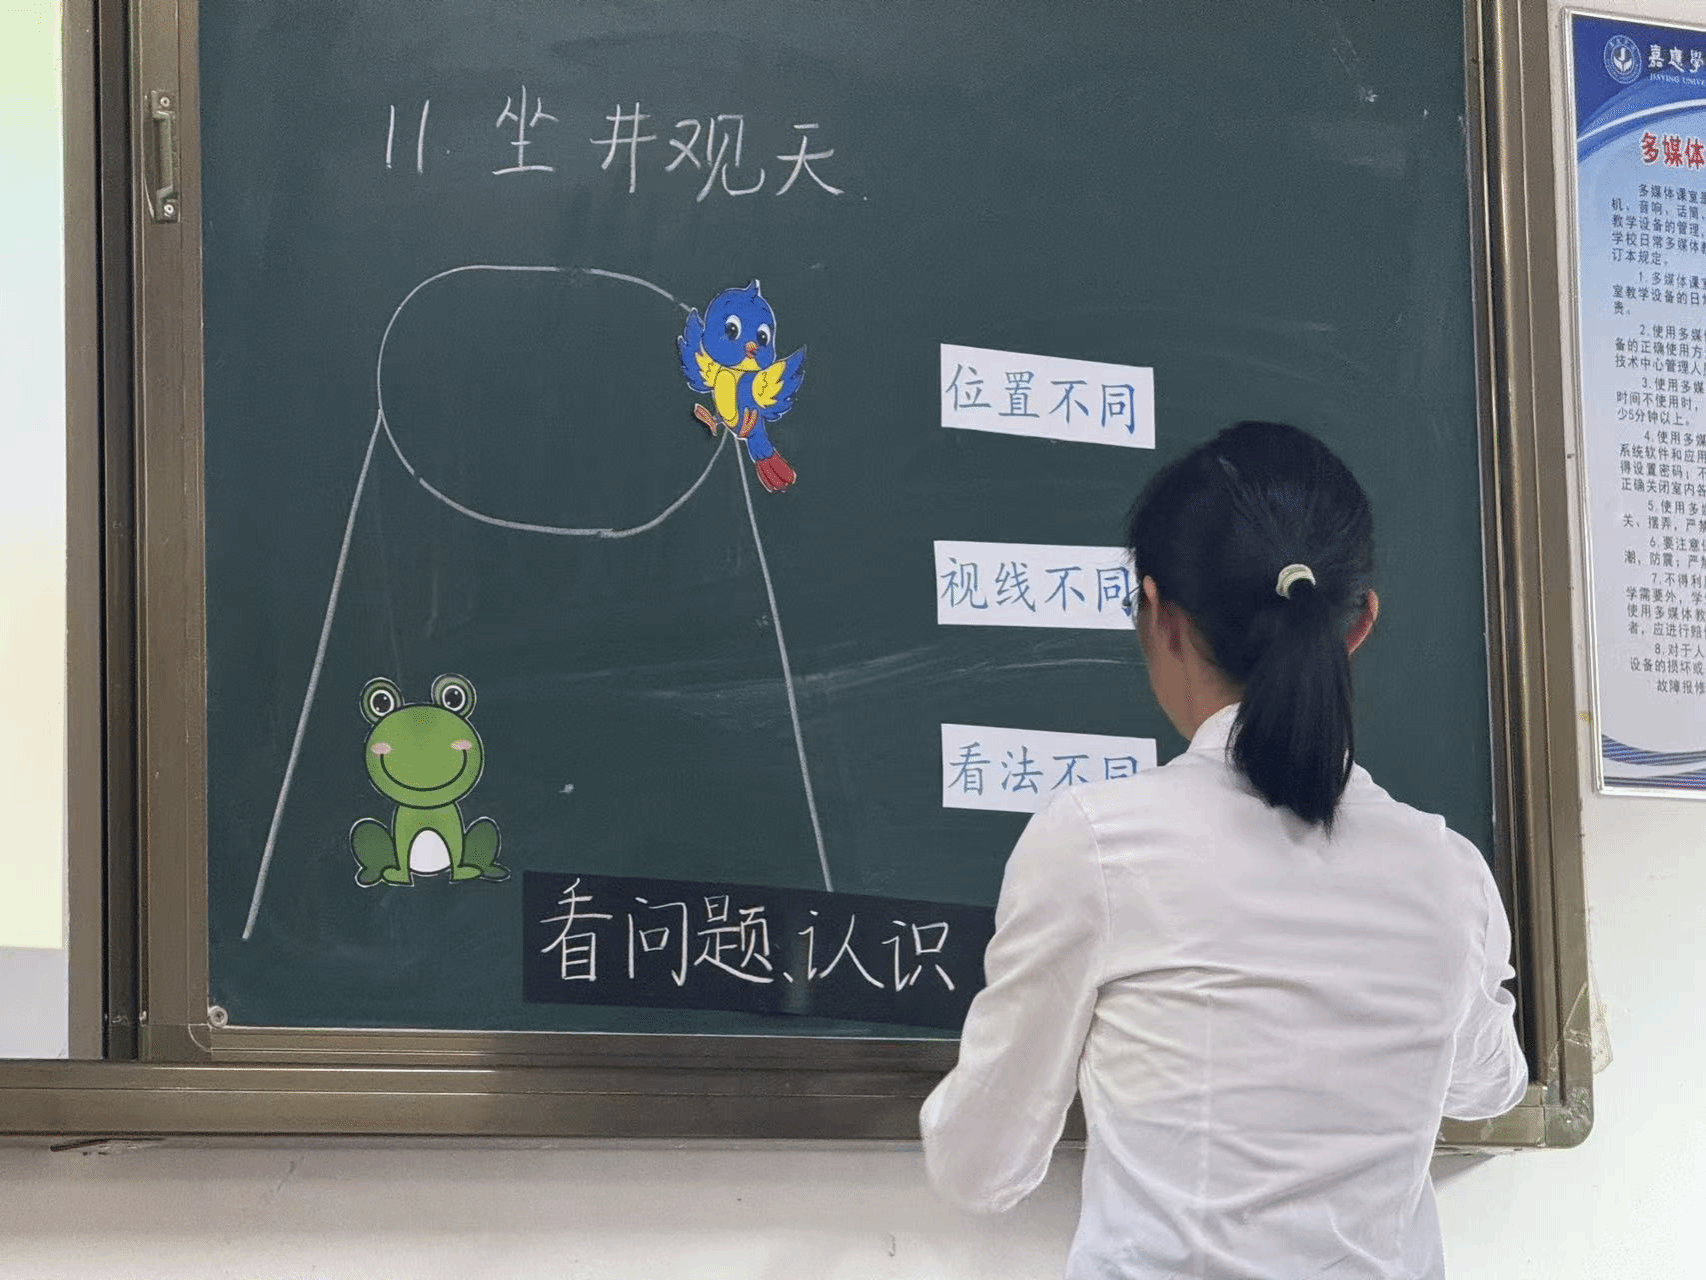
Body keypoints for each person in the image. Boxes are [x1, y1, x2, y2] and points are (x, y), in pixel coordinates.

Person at [919, 421, 1526, 1279]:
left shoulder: (1096, 845)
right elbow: (1490, 1086)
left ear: (1158, 614)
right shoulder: (1448, 870)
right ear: (1358, 624)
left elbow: (981, 1167)